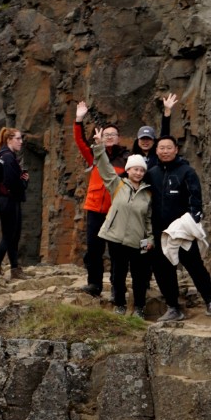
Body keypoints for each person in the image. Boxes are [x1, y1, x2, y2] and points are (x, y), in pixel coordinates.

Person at [144, 96, 211, 322]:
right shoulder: (151, 173)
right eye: (161, 148)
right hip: (159, 231)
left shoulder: (186, 171)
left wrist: (193, 219)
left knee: (194, 265)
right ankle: (173, 307)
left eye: (169, 147)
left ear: (176, 149)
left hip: (183, 229)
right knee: (162, 269)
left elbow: (196, 200)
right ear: (156, 151)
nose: (165, 151)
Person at [90, 140, 157, 315]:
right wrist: (99, 147)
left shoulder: (148, 193)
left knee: (140, 276)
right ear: (128, 170)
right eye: (135, 169)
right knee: (118, 274)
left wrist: (150, 239)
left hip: (139, 241)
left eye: (142, 170)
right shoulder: (117, 185)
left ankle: (139, 308)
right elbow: (104, 166)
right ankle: (120, 305)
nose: (139, 172)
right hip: (116, 238)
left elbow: (149, 219)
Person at [72, 104, 129, 298]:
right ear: (101, 138)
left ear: (119, 138)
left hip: (116, 212)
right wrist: (79, 120)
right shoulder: (95, 156)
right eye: (107, 134)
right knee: (94, 250)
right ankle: (94, 284)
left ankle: (116, 287)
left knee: (116, 252)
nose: (110, 137)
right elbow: (80, 142)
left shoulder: (126, 159)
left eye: (113, 134)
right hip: (95, 209)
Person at [0, 126, 31, 278]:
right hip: (8, 200)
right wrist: (24, 182)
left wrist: (21, 180)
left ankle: (14, 268)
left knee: (13, 235)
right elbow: (12, 182)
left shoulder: (5, 156)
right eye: (18, 139)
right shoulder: (8, 157)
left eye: (21, 138)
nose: (21, 142)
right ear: (9, 140)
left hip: (8, 200)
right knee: (9, 235)